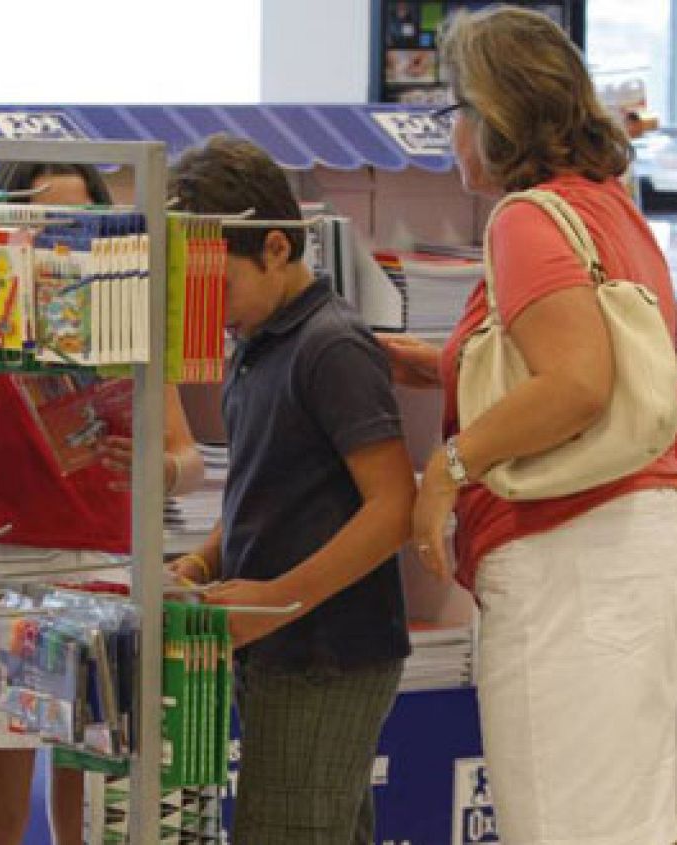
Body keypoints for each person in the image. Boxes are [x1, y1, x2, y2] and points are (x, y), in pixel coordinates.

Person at [379, 8, 677, 844]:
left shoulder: (525, 219)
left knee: (562, 818)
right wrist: (438, 364)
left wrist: (448, 465)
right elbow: (572, 363)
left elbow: (577, 383)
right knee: (623, 811)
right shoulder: (607, 208)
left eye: (455, 115)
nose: (452, 140)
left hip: (568, 550)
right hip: (633, 540)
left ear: (495, 115)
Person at [0, 161, 203, 845]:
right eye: (38, 224)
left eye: (74, 226)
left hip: (102, 569)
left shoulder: (125, 309)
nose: (56, 242)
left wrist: (160, 469)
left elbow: (189, 458)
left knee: (89, 818)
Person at [165, 134, 416, 845]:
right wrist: (206, 562)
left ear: (276, 248)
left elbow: (394, 507)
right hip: (280, 644)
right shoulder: (260, 341)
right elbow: (261, 489)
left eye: (223, 286)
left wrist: (281, 601)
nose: (212, 310)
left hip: (327, 654)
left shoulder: (330, 344)